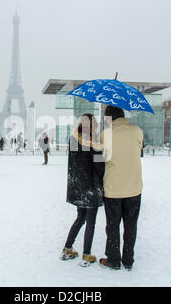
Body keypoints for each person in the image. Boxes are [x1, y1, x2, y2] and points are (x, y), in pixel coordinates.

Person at [99, 106, 143, 271]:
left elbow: (101, 158)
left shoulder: (105, 135)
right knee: (131, 225)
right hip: (134, 187)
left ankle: (113, 259)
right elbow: (139, 150)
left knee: (112, 225)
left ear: (109, 118)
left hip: (112, 188)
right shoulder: (137, 131)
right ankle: (128, 259)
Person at [61, 114, 105, 267]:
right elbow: (100, 168)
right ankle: (87, 254)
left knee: (80, 219)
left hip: (78, 186)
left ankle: (67, 248)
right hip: (91, 187)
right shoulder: (94, 142)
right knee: (90, 222)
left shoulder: (73, 139)